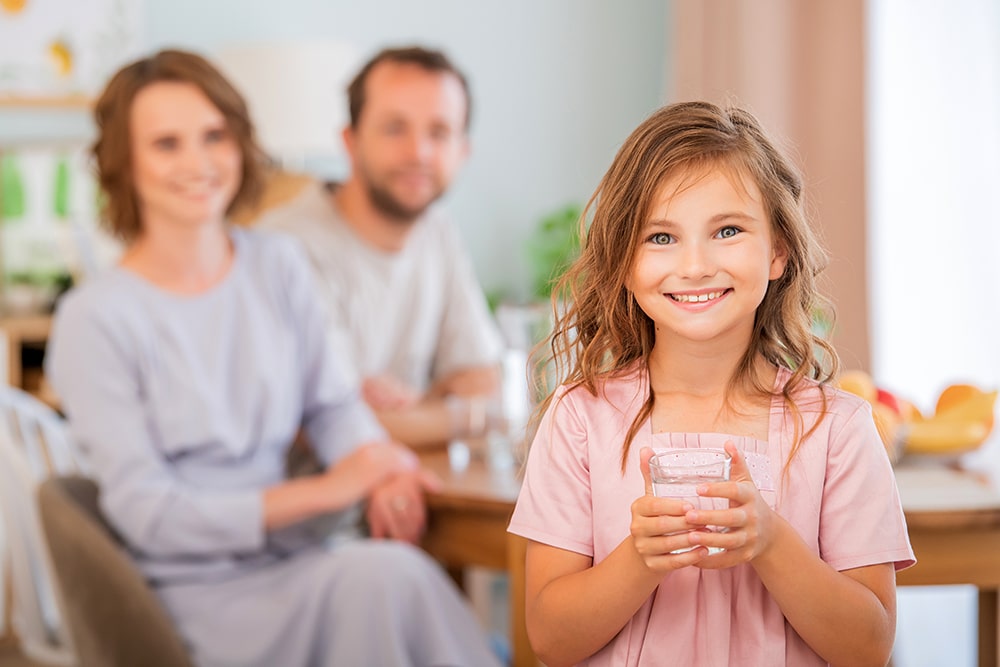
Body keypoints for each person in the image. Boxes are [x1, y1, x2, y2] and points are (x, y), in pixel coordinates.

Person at [45, 49, 502, 667]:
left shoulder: (275, 265)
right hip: (197, 595)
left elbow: (335, 405)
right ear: (125, 163)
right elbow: (149, 514)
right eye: (167, 144)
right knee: (384, 582)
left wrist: (382, 465)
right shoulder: (94, 318)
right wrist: (331, 490)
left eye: (214, 136)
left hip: (298, 559)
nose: (199, 163)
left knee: (391, 578)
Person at [507, 101, 915, 666]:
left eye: (727, 230)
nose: (695, 265)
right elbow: (550, 639)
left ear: (778, 250)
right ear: (625, 262)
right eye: (661, 238)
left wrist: (770, 543)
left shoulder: (837, 430)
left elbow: (869, 646)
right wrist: (640, 561)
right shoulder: (581, 418)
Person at [258, 46, 504, 449]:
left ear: (463, 152)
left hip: (408, 490)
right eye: (394, 128)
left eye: (439, 133)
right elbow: (329, 426)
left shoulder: (437, 231)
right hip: (311, 503)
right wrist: (464, 415)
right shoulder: (286, 248)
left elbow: (482, 378)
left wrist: (416, 407)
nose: (419, 152)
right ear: (350, 141)